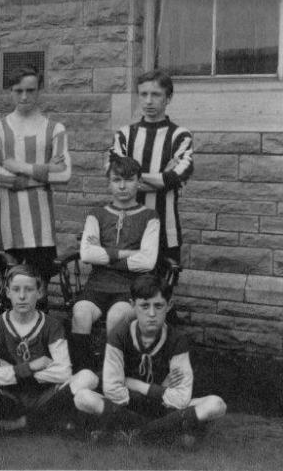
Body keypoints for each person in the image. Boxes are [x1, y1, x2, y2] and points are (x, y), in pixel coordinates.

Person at [73, 275, 226, 447]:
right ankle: (161, 432)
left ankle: (137, 434)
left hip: (165, 409)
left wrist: (134, 384)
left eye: (158, 306)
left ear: (169, 306)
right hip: (128, 406)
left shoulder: (177, 340)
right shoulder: (119, 335)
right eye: (144, 306)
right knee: (83, 397)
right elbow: (113, 391)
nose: (152, 314)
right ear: (132, 305)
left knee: (216, 404)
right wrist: (162, 389)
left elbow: (181, 398)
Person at [0, 265, 98, 434]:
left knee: (89, 377)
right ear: (7, 292)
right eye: (16, 289)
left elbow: (64, 372)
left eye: (28, 289)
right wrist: (31, 366)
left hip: (43, 395)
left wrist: (11, 370)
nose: (22, 296)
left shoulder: (52, 325)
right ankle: (46, 421)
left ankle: (19, 424)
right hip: (9, 396)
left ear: (40, 292)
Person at [0, 64, 71, 299]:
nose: (24, 96)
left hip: (40, 227)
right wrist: (43, 174)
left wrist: (18, 166)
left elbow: (64, 174)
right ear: (10, 92)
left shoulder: (55, 128)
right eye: (18, 90)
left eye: (30, 90)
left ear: (39, 91)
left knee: (38, 290)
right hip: (8, 224)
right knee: (11, 291)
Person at [69, 156, 159, 372]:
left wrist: (105, 256)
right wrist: (127, 253)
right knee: (81, 312)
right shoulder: (96, 214)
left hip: (130, 287)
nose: (122, 186)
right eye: (116, 179)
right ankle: (83, 371)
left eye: (128, 180)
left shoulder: (149, 217)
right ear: (109, 182)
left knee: (116, 316)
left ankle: (112, 373)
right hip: (97, 285)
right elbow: (88, 254)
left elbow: (147, 261)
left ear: (138, 182)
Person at [110, 69, 194, 275]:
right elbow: (114, 176)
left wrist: (134, 177)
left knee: (160, 295)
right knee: (127, 293)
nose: (148, 101)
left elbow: (176, 177)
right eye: (143, 94)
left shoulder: (180, 136)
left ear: (168, 98)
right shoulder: (125, 134)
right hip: (128, 227)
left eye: (156, 95)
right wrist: (160, 178)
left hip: (166, 229)